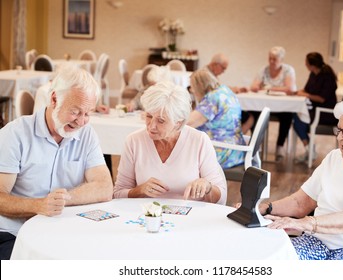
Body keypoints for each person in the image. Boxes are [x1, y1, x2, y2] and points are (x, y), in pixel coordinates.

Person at [0, 65, 113, 260]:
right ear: (54, 99)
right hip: (14, 233)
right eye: (76, 112)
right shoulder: (15, 134)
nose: (81, 122)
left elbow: (105, 187)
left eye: (88, 113)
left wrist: (63, 198)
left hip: (63, 231)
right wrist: (38, 205)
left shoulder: (86, 134)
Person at [257, 94, 343, 260]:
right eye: (340, 130)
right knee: (276, 260)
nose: (341, 137)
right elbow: (301, 202)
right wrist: (264, 208)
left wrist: (307, 223)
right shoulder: (334, 157)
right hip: (318, 240)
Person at [113, 80, 227, 204]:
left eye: (161, 121)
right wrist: (139, 190)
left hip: (190, 217)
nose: (151, 126)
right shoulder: (134, 141)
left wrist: (207, 186)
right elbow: (118, 193)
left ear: (178, 122)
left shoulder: (199, 141)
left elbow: (221, 198)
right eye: (149, 116)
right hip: (146, 218)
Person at [187, 69, 246, 169]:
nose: (192, 91)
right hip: (236, 150)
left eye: (192, 87)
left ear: (200, 86)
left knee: (178, 154)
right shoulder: (224, 90)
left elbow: (188, 122)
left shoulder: (212, 99)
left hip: (223, 152)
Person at [248, 46, 297, 159]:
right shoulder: (264, 70)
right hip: (264, 105)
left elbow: (289, 88)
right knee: (253, 112)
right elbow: (254, 86)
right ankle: (256, 144)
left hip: (282, 107)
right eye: (270, 58)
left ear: (281, 59)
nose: (271, 61)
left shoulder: (288, 70)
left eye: (274, 59)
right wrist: (259, 87)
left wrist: (268, 87)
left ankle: (280, 145)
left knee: (287, 115)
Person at [293, 52, 338, 162]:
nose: (305, 64)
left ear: (312, 65)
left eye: (306, 62)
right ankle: (309, 149)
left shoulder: (327, 77)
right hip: (315, 109)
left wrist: (305, 95)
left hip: (326, 113)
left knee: (298, 120)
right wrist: (295, 92)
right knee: (295, 116)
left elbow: (321, 99)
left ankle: (310, 150)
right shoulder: (313, 73)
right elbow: (307, 90)